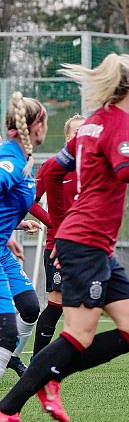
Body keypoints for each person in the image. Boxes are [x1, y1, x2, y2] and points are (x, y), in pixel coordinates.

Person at [0, 53, 129, 422]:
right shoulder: (117, 121)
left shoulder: (90, 126)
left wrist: (60, 230)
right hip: (86, 243)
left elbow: (52, 170)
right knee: (77, 335)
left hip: (93, 244)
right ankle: (10, 407)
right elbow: (126, 171)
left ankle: (49, 376)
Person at [30, 114, 129, 369]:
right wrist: (53, 224)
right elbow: (29, 200)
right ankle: (35, 364)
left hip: (91, 248)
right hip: (59, 248)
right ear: (67, 138)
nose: (80, 138)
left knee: (112, 297)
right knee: (56, 305)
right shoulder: (54, 167)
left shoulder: (95, 168)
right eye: (75, 133)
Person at [0, 92, 49, 392]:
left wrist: (9, 232)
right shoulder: (11, 161)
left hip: (3, 250)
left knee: (30, 307)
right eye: (45, 122)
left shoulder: (23, 159)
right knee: (5, 334)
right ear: (35, 126)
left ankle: (14, 360)